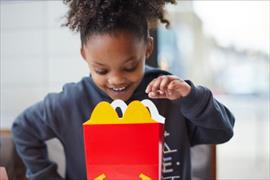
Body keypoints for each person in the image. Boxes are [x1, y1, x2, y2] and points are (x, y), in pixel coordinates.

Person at [12, 0, 235, 179]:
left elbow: (222, 131)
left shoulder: (172, 94)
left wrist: (191, 96)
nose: (116, 79)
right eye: (101, 70)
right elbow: (23, 129)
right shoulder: (71, 101)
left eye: (130, 67)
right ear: (85, 56)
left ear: (147, 48)